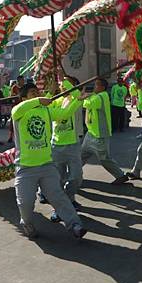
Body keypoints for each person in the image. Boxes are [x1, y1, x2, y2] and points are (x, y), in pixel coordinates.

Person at [11, 83, 87, 239]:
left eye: (37, 92)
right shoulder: (18, 112)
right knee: (25, 203)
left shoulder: (45, 110)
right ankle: (27, 224)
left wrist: (78, 100)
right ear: (24, 98)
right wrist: (38, 100)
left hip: (47, 165)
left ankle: (74, 225)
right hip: (25, 168)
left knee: (58, 197)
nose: (37, 94)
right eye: (32, 93)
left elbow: (64, 114)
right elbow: (17, 110)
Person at [81, 78, 129, 184]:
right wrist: (86, 96)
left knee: (104, 159)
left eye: (97, 85)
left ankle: (120, 175)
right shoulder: (97, 95)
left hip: (100, 134)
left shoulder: (102, 96)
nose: (94, 87)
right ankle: (73, 176)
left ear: (102, 87)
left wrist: (84, 97)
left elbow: (88, 104)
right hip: (91, 132)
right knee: (82, 155)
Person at [49, 77, 84, 218]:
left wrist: (63, 79)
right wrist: (51, 91)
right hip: (56, 146)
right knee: (58, 179)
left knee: (76, 177)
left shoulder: (77, 100)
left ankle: (69, 197)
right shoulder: (56, 101)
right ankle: (60, 206)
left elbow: (78, 95)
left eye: (66, 86)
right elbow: (46, 105)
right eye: (61, 85)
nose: (63, 88)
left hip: (72, 145)